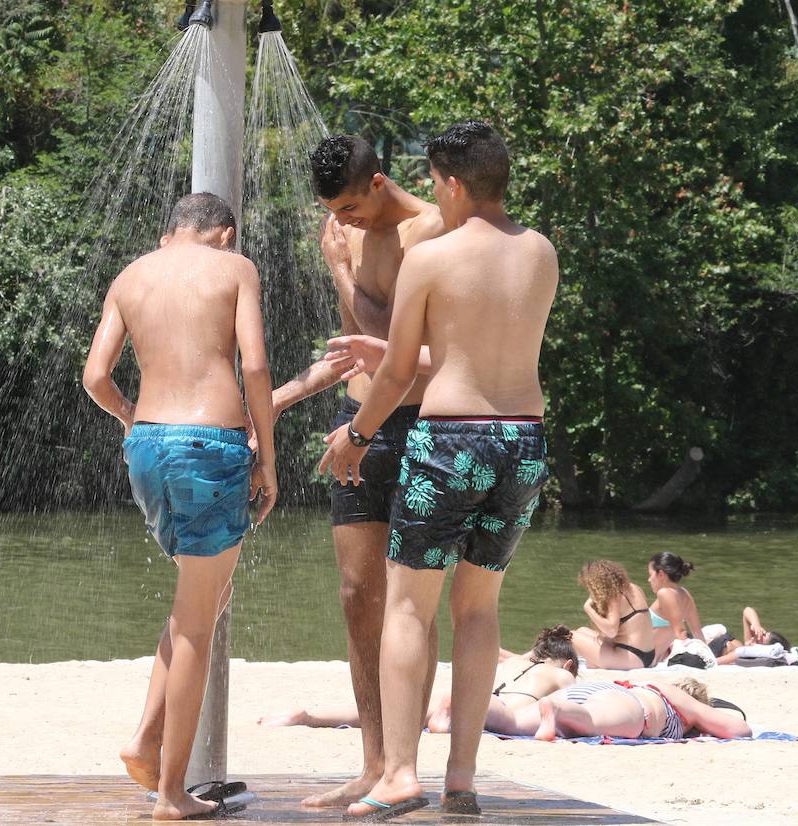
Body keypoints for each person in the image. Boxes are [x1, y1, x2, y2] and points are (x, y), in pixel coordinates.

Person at [320, 120, 558, 820]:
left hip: (451, 439)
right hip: (523, 439)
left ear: (453, 183)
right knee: (478, 609)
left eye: (435, 184)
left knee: (406, 606)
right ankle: (461, 779)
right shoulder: (541, 252)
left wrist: (357, 436)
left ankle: (397, 773)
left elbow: (396, 371)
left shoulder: (436, 257)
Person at [82, 192, 277, 822]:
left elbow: (96, 377)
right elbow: (255, 364)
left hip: (147, 445)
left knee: (199, 600)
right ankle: (170, 795)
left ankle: (144, 740)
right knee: (198, 622)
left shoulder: (131, 276)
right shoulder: (235, 268)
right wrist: (267, 454)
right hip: (212, 445)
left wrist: (131, 418)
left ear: (172, 232)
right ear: (224, 233)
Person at [274, 134, 446, 809]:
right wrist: (278, 400)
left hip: (419, 426)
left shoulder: (432, 230)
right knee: (356, 597)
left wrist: (341, 275)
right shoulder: (350, 231)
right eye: (332, 211)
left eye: (349, 205)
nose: (340, 221)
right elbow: (354, 351)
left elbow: (399, 341)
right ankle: (372, 762)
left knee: (411, 605)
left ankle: (403, 765)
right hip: (355, 428)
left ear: (378, 183)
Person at [257, 625, 577, 733]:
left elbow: (503, 653)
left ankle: (308, 717)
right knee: (497, 715)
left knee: (383, 714)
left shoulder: (514, 665)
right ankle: (447, 714)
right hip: (495, 707)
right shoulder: (561, 676)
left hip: (464, 694)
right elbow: (566, 705)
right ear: (567, 663)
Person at [487, 677, 752, 742]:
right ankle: (556, 708)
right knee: (591, 721)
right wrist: (699, 719)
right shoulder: (681, 700)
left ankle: (458, 707)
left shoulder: (648, 684)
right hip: (632, 708)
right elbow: (739, 729)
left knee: (512, 723)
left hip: (598, 690)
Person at [571, 560, 656, 669]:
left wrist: (588, 608)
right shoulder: (633, 588)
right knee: (582, 631)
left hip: (633, 658)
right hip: (648, 655)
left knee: (570, 637)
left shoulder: (614, 596)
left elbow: (611, 631)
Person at [647, 551, 705, 662]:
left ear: (661, 574)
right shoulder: (684, 593)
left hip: (646, 660)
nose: (649, 580)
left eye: (650, 575)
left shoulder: (664, 593)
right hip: (655, 660)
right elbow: (697, 632)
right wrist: (706, 656)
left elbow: (680, 632)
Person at [709, 606, 793, 664]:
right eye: (763, 633)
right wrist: (756, 624)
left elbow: (713, 662)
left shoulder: (746, 652)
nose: (758, 635)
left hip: (704, 645)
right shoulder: (748, 645)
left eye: (763, 636)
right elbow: (747, 610)